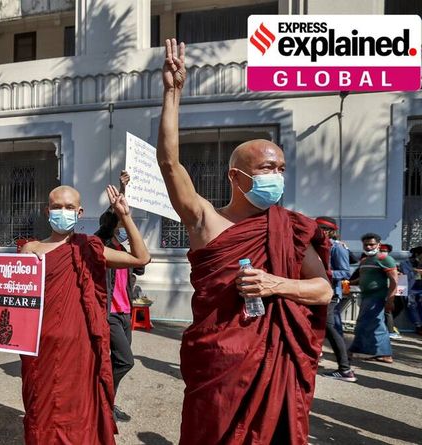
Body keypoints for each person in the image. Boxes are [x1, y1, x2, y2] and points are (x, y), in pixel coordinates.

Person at [157, 39, 332, 444]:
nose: (278, 175)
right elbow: (169, 164)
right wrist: (172, 93)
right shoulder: (206, 220)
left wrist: (276, 284)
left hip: (272, 364)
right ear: (236, 177)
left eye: (282, 168)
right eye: (268, 167)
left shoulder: (291, 228)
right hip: (219, 363)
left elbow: (322, 290)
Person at [20, 185, 151, 445]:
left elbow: (141, 258)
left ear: (79, 213)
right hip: (39, 347)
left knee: (78, 411)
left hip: (80, 347)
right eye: (57, 207)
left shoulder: (89, 247)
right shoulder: (30, 249)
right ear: (48, 211)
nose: (62, 212)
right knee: (41, 408)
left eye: (69, 208)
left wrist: (124, 216)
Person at [94, 171, 145, 422]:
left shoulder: (125, 249)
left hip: (126, 313)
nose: (127, 227)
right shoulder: (103, 245)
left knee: (116, 361)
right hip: (109, 314)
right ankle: (101, 403)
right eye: (123, 224)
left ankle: (107, 403)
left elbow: (141, 265)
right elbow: (110, 221)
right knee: (125, 361)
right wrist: (122, 191)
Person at [315, 217, 356, 382]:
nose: (318, 230)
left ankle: (345, 369)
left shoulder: (337, 247)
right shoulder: (316, 244)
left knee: (330, 328)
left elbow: (345, 272)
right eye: (317, 227)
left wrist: (321, 274)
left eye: (322, 228)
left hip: (330, 293)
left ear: (330, 231)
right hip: (316, 291)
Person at [349, 233, 397, 363]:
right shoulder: (365, 261)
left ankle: (383, 354)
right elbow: (364, 277)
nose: (369, 247)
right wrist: (349, 283)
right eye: (366, 245)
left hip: (377, 297)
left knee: (374, 325)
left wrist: (390, 300)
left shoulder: (385, 259)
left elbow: (394, 281)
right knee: (367, 324)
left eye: (372, 244)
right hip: (366, 297)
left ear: (378, 244)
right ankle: (361, 351)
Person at [399, 247, 422, 336]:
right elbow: (406, 275)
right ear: (417, 254)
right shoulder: (405, 263)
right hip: (409, 288)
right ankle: (418, 325)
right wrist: (417, 271)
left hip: (421, 288)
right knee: (412, 306)